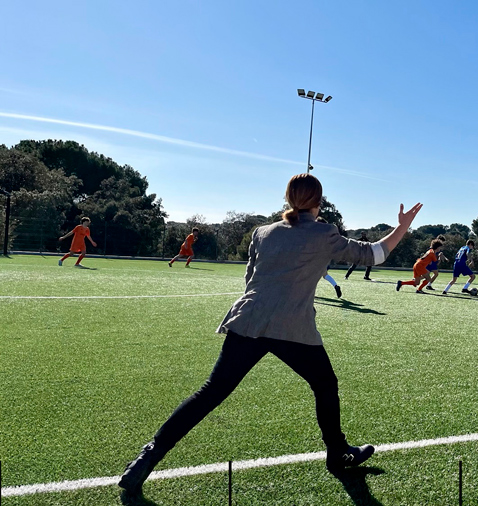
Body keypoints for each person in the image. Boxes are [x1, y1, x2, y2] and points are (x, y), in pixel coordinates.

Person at [118, 174, 422, 495]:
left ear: (289, 199)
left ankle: (146, 458)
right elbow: (375, 253)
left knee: (211, 393)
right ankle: (337, 453)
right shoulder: (324, 233)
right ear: (318, 202)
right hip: (291, 326)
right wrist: (403, 225)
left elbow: (250, 279)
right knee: (324, 384)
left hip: (248, 319)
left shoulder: (262, 232)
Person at [316, 217, 342, 298]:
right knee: (325, 275)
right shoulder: (327, 235)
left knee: (310, 276)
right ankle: (335, 286)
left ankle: (307, 294)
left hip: (315, 258)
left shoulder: (316, 234)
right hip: (325, 258)